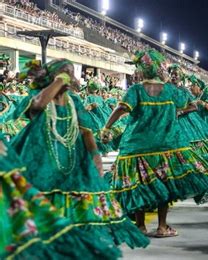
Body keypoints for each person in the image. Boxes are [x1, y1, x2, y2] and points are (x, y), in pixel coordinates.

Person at [11, 59, 149, 253]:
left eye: (71, 72)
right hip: (41, 165)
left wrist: (95, 156)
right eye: (65, 72)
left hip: (72, 163)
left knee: (76, 214)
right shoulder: (39, 95)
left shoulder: (74, 101)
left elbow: (86, 132)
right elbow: (38, 106)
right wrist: (58, 81)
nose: (70, 76)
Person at [102, 50, 208, 237]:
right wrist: (176, 112)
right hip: (167, 145)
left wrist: (106, 128)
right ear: (159, 69)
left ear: (143, 71)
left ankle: (140, 226)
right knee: (165, 184)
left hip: (137, 146)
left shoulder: (136, 90)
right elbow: (193, 105)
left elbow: (121, 109)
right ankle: (162, 227)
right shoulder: (171, 91)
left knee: (139, 185)